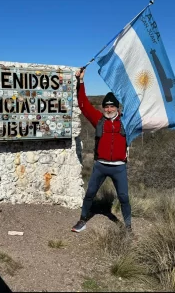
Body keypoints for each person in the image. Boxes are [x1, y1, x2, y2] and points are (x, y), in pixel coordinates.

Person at [71, 68, 132, 233]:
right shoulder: (98, 120)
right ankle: (82, 220)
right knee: (90, 193)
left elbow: (145, 115)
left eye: (112, 106)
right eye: (106, 106)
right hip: (100, 165)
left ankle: (128, 227)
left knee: (124, 198)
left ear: (117, 108)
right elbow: (83, 104)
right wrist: (81, 81)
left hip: (119, 167)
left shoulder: (126, 122)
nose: (109, 109)